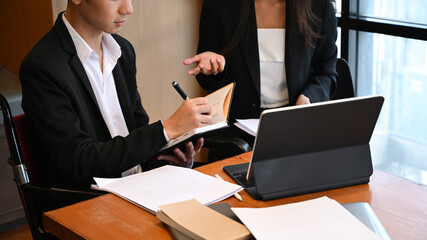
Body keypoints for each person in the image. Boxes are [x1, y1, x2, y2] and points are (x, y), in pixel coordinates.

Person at [19, 0, 212, 189]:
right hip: (88, 202)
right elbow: (77, 163)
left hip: (140, 186)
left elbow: (136, 133)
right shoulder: (43, 67)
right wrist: (167, 129)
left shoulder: (123, 51)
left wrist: (172, 155)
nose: (128, 8)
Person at [184, 0, 338, 145]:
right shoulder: (220, 5)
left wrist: (308, 97)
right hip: (236, 137)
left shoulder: (319, 6)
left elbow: (326, 72)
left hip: (296, 129)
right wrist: (214, 70)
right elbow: (206, 81)